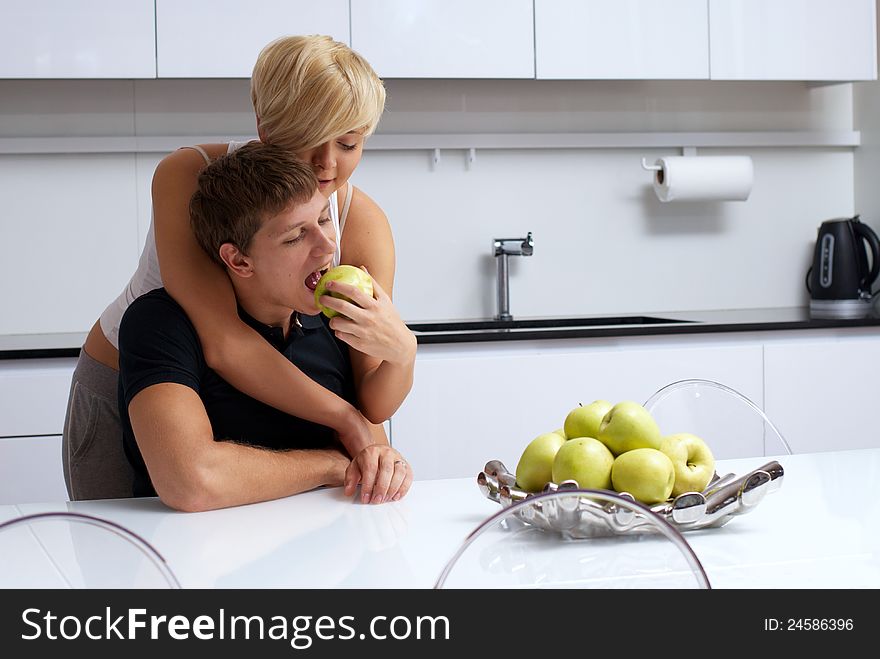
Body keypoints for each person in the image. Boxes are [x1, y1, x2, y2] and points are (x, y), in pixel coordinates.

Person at [61, 35, 416, 503]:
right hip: (142, 378)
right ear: (265, 128)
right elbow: (224, 340)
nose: (327, 166)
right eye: (307, 140)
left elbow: (370, 391)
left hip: (276, 392)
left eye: (349, 143)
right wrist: (347, 425)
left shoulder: (361, 224)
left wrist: (403, 352)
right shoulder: (193, 178)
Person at [118, 142, 412, 511]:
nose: (326, 248)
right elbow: (191, 479)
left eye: (323, 220)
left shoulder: (334, 320)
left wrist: (385, 466)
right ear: (239, 260)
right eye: (295, 236)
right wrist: (330, 465)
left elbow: (368, 446)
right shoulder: (159, 325)